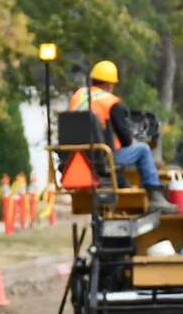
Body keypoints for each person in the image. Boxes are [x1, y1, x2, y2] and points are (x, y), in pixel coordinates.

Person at [65, 60, 171, 207]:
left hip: (74, 155)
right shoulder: (111, 102)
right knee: (143, 150)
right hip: (102, 157)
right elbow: (126, 140)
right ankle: (155, 196)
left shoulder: (78, 96)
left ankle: (121, 183)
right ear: (110, 84)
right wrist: (133, 140)